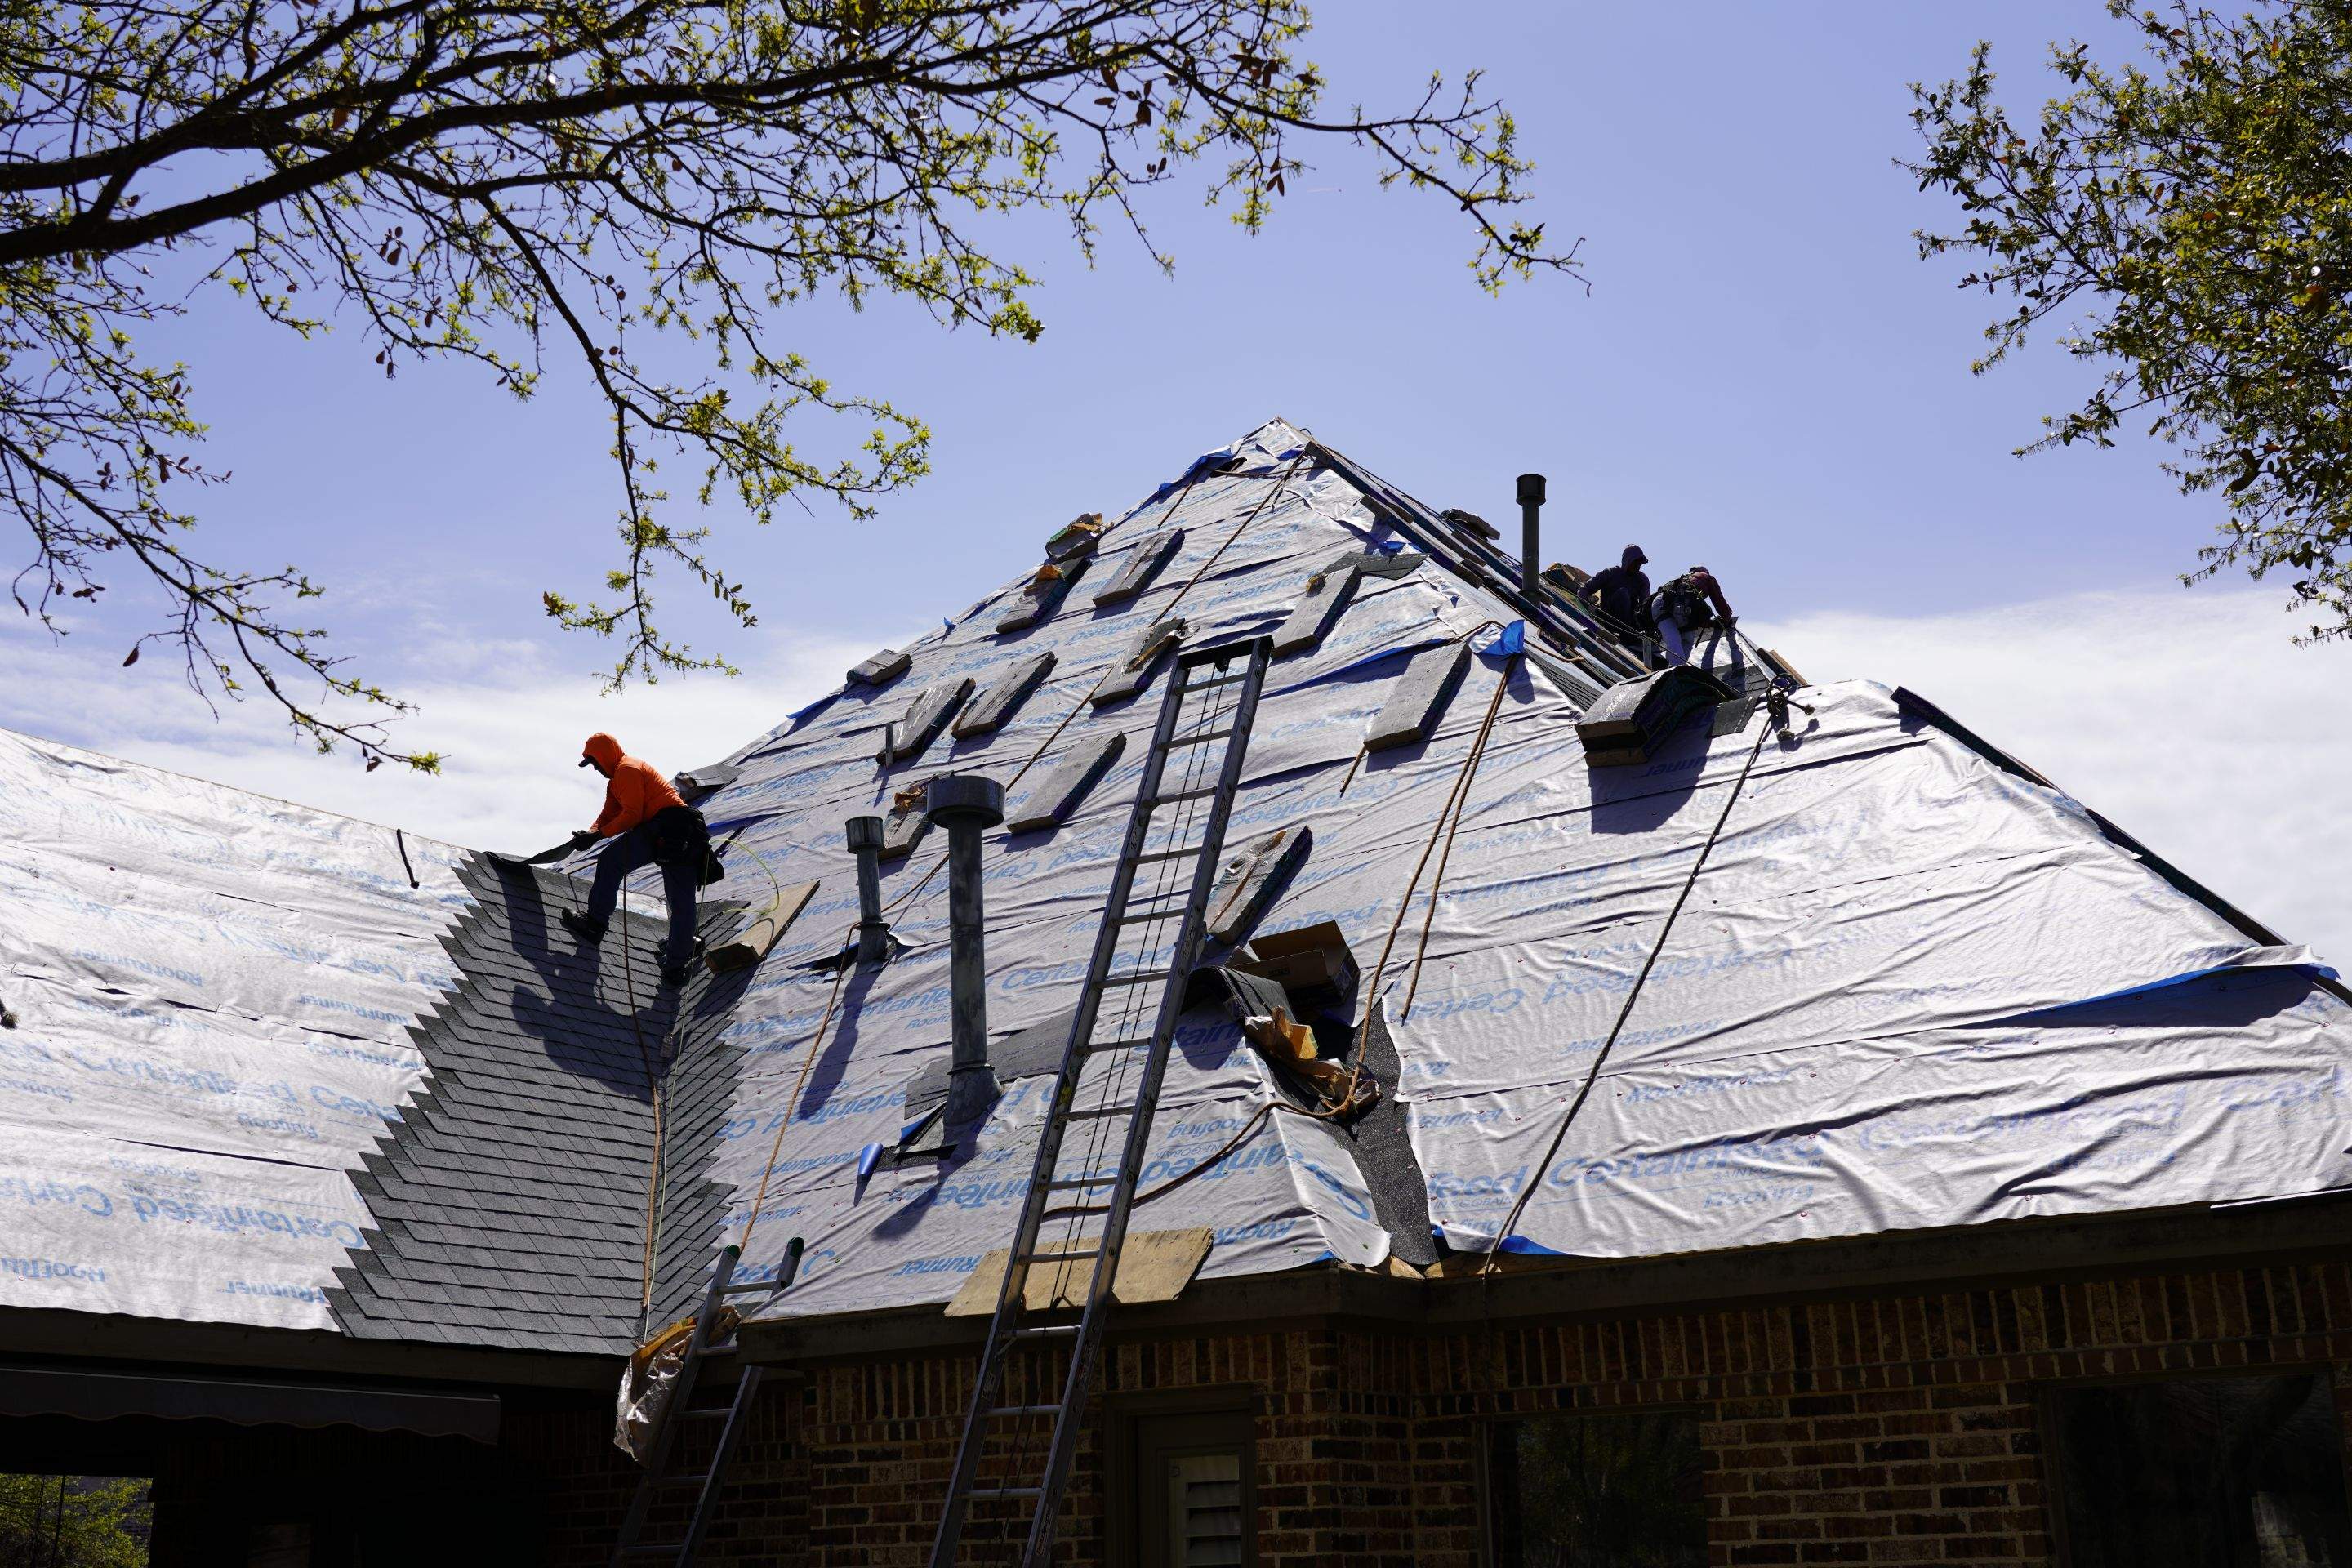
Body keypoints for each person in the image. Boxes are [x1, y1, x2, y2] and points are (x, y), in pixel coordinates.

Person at [559, 732, 710, 986]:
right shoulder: (617, 780)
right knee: (681, 902)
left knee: (612, 861)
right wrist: (590, 833)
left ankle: (596, 925)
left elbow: (631, 815)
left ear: (605, 756)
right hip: (676, 830)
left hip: (670, 826)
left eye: (595, 762)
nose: (595, 769)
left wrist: (596, 838)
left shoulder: (627, 770)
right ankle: (676, 964)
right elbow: (606, 816)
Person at [1650, 564, 1736, 666]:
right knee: (1676, 639)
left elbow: (1697, 619)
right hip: (1670, 606)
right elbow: (1719, 602)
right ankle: (1678, 668)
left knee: (1684, 638)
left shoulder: (1685, 585)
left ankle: (1674, 668)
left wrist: (1713, 624)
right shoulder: (1705, 577)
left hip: (1660, 606)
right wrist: (1726, 619)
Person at [1579, 545, 1654, 639]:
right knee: (1623, 593)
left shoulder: (1642, 580)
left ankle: (1630, 632)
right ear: (1628, 560)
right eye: (1635, 563)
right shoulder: (1611, 573)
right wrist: (1590, 611)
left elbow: (1645, 606)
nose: (1638, 566)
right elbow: (1584, 589)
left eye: (1640, 564)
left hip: (1630, 623)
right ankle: (1626, 632)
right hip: (1608, 619)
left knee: (1640, 606)